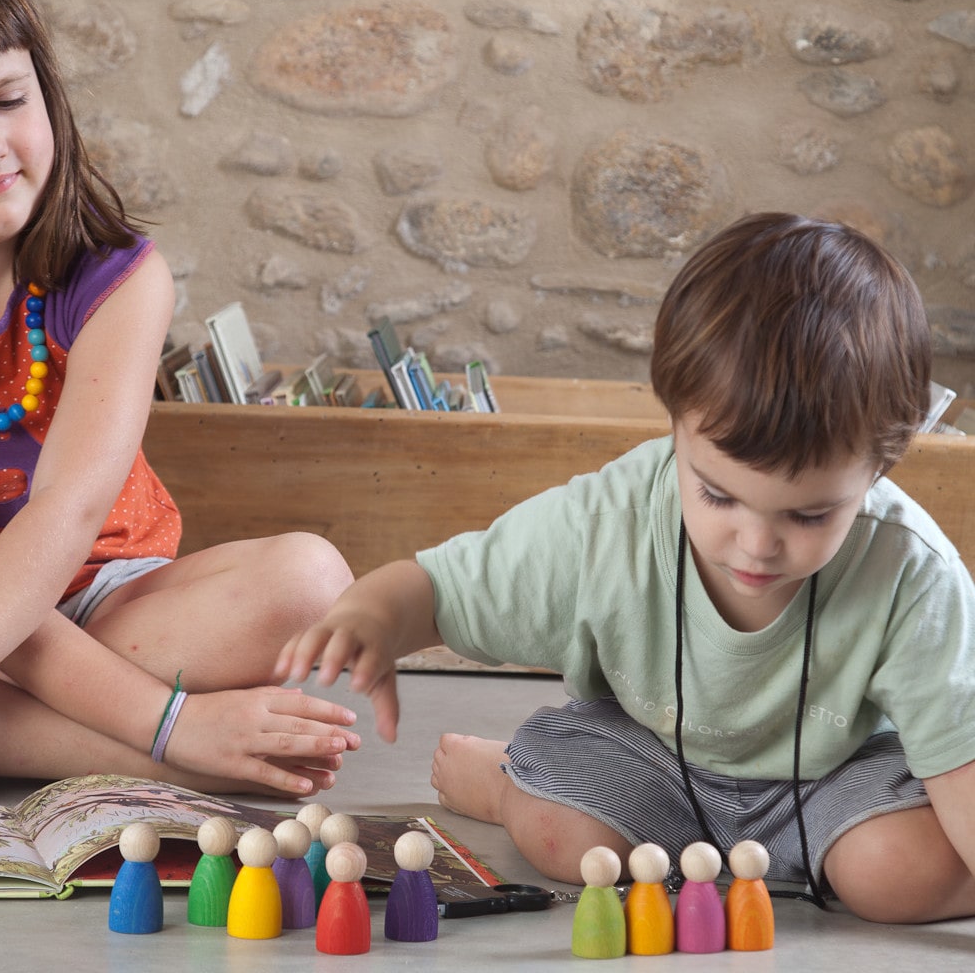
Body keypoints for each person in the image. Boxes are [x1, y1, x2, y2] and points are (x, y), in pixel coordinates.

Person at [278, 212, 975, 924]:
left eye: (809, 515)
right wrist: (378, 615)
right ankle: (501, 782)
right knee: (570, 841)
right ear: (675, 425)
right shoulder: (608, 524)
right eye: (717, 495)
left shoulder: (913, 575)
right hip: (652, 760)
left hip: (838, 775)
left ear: (880, 467)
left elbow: (961, 765)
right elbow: (444, 588)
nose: (757, 543)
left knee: (902, 877)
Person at [0, 0, 359, 797]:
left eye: (7, 100)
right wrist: (177, 728)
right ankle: (161, 748)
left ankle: (44, 729)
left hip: (119, 604)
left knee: (313, 579)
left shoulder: (118, 280)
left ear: (48, 99)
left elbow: (66, 513)